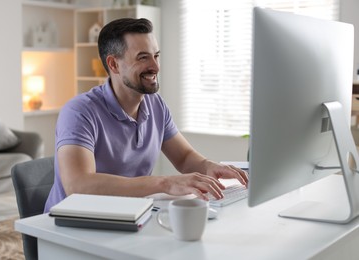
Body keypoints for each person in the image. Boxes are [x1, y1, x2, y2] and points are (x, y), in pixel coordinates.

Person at [44, 18, 248, 212]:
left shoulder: (155, 104)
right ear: (114, 64)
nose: (156, 66)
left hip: (130, 215)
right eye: (143, 57)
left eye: (156, 55)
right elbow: (78, 185)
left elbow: (184, 158)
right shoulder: (79, 111)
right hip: (71, 226)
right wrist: (164, 183)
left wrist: (208, 166)